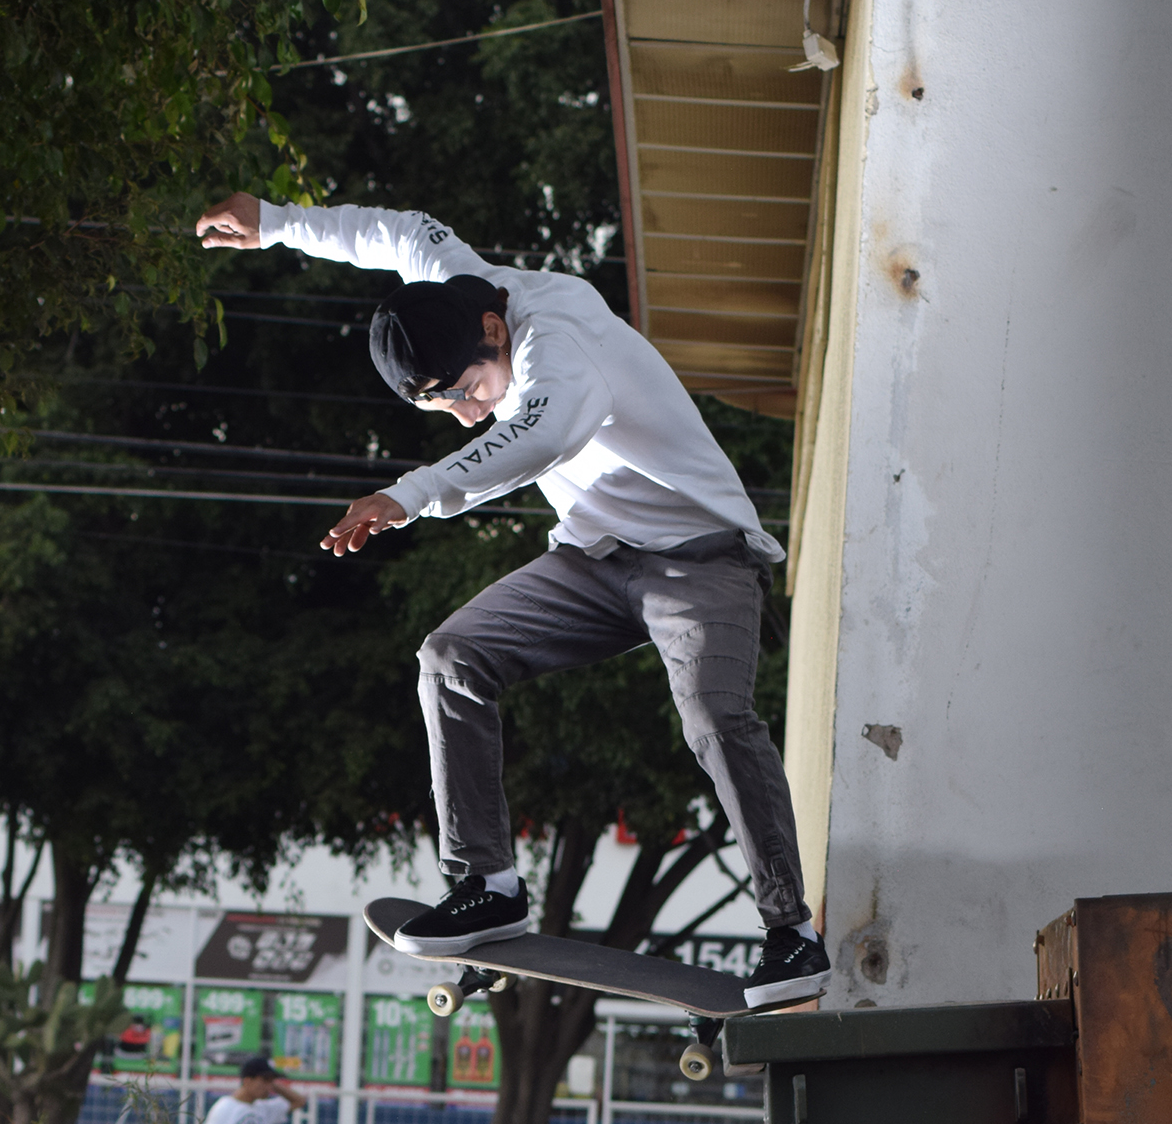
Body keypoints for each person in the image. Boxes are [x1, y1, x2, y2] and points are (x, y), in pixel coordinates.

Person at [195, 193, 831, 1011]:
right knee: (450, 658)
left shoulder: (557, 343)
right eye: (443, 408)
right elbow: (390, 234)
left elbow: (535, 437)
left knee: (712, 716)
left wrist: (410, 493)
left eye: (469, 389)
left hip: (697, 562)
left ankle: (790, 932)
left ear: (494, 335)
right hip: (593, 563)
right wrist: (275, 222)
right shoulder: (459, 284)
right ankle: (486, 880)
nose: (468, 412)